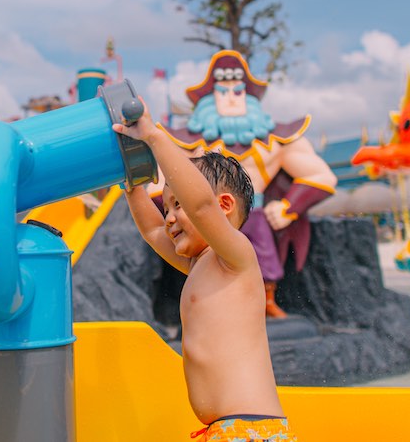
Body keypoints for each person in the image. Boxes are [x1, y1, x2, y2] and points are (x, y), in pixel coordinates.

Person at [114, 101, 295, 441]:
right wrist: (132, 185)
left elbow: (200, 206)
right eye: (166, 206)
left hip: (249, 428)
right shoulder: (198, 263)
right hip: (224, 429)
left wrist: (153, 136)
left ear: (223, 207)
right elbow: (154, 233)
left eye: (177, 204)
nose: (169, 218)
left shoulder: (236, 256)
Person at [161, 50, 337, 319]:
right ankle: (214, 303)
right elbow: (162, 182)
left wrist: (288, 207)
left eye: (238, 91)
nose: (231, 98)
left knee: (264, 253)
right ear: (210, 98)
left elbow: (322, 176)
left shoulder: (276, 141)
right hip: (207, 217)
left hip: (254, 212)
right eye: (223, 92)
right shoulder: (191, 143)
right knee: (208, 261)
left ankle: (267, 301)